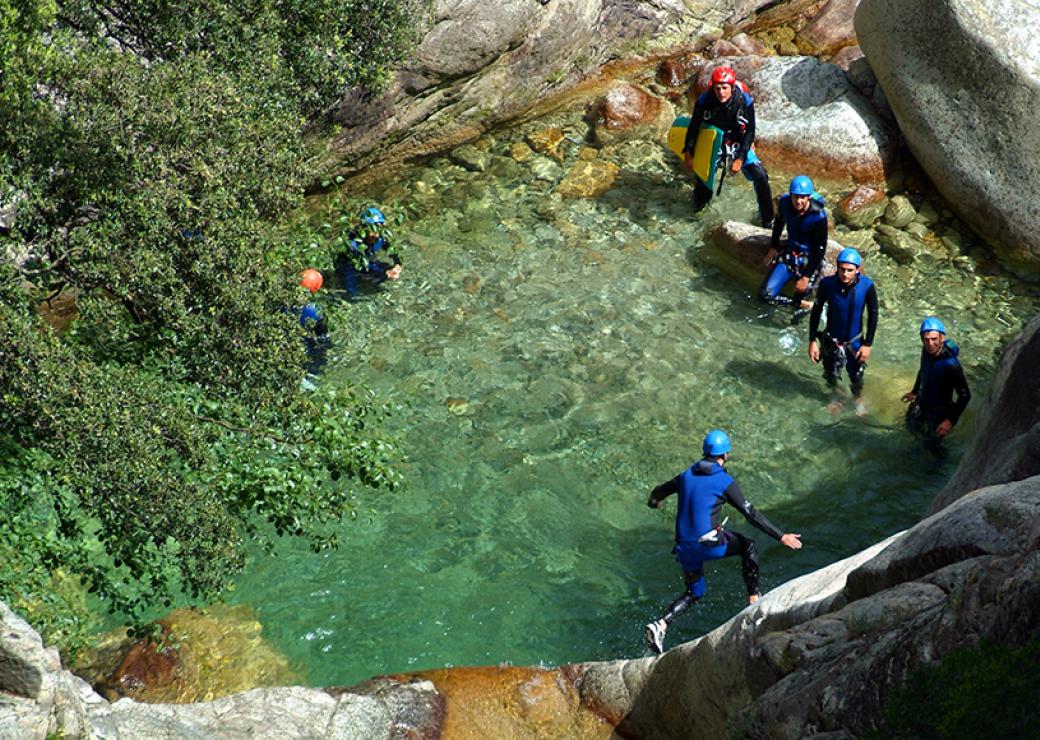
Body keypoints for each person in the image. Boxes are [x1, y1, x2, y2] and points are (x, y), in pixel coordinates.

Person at [644, 429, 803, 654]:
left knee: (695, 592)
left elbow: (659, 491)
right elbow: (751, 514)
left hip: (683, 548)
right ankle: (754, 599)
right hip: (708, 545)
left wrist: (654, 501)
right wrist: (781, 536)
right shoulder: (724, 481)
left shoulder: (686, 474)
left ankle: (661, 624)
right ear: (725, 455)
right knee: (748, 545)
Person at [682, 66, 774, 227]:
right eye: (717, 88)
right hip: (713, 141)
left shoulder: (744, 101)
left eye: (725, 88)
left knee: (760, 175)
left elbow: (750, 131)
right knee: (704, 187)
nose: (721, 92)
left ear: (732, 87)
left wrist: (740, 158)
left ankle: (767, 220)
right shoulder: (704, 101)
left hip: (736, 141)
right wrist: (689, 152)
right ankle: (696, 216)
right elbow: (694, 128)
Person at [807, 247, 878, 415]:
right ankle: (837, 394)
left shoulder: (867, 286)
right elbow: (816, 312)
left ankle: (857, 397)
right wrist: (812, 341)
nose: (845, 274)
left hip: (855, 341)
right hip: (832, 340)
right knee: (830, 373)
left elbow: (873, 314)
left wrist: (868, 344)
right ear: (837, 267)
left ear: (857, 270)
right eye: (842, 269)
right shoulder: (827, 284)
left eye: (850, 270)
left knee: (856, 375)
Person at [760, 175, 828, 315]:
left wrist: (806, 277)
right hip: (790, 254)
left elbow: (820, 249)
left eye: (802, 197)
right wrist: (774, 246)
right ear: (790, 195)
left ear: (808, 197)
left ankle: (801, 304)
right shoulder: (785, 203)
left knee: (801, 299)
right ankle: (801, 304)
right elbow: (779, 222)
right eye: (795, 197)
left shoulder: (818, 216)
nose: (798, 201)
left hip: (809, 257)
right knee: (765, 296)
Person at [902, 317, 971, 452]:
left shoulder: (951, 365)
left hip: (940, 411)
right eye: (926, 339)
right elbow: (923, 369)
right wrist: (915, 391)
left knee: (932, 445)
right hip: (922, 402)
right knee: (910, 428)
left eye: (934, 339)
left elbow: (965, 395)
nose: (930, 344)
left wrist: (950, 421)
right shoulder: (925, 351)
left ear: (942, 338)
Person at [335, 206, 402, 299]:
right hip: (349, 269)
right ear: (363, 229)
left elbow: (391, 249)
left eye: (378, 229)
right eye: (371, 230)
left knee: (387, 267)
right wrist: (385, 274)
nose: (375, 234)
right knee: (352, 294)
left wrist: (398, 263)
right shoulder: (354, 244)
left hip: (366, 261)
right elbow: (364, 266)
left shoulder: (380, 237)